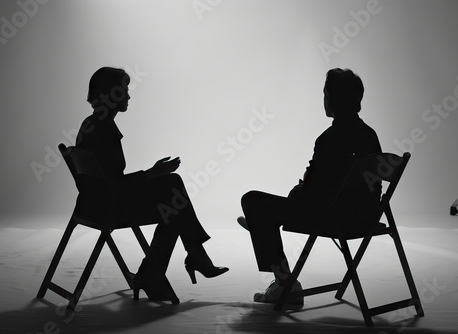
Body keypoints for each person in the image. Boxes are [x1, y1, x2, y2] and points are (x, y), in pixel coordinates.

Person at [75, 66, 228, 301]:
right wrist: (151, 174)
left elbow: (109, 182)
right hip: (107, 208)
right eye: (124, 90)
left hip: (98, 204)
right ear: (111, 93)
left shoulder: (95, 123)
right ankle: (181, 261)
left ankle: (171, 266)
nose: (128, 96)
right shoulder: (100, 128)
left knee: (173, 195)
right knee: (174, 196)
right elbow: (113, 185)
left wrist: (153, 175)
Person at [238, 68, 382, 304]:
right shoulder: (370, 135)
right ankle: (262, 226)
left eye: (326, 94)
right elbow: (370, 186)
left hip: (332, 217)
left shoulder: (329, 139)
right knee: (266, 210)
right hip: (364, 217)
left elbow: (314, 193)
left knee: (252, 201)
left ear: (334, 99)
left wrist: (298, 191)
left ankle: (285, 283)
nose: (323, 99)